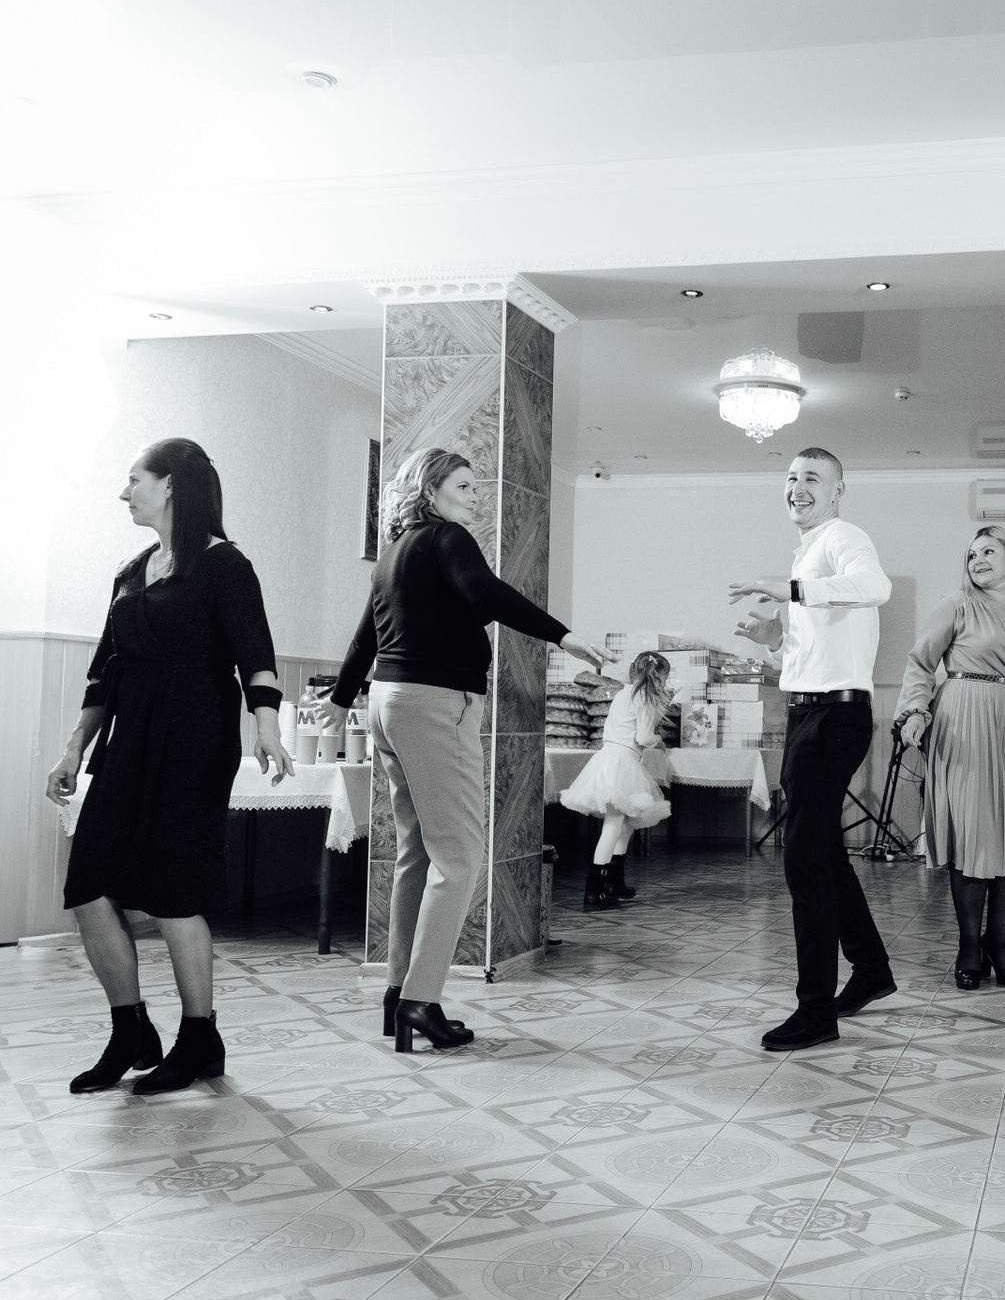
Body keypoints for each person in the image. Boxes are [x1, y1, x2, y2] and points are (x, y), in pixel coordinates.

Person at [320, 448, 612, 1054]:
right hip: (434, 703)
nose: (475, 497)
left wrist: (343, 699)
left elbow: (366, 634)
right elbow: (485, 592)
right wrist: (564, 636)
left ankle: (398, 993)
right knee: (459, 858)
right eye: (463, 485)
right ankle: (420, 1000)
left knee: (416, 855)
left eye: (476, 487)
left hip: (388, 702)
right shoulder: (446, 538)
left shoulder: (395, 552)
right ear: (430, 490)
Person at [46, 439, 294, 1095]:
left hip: (196, 738)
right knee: (88, 883)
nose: (124, 492)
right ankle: (130, 1029)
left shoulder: (224, 565)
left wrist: (267, 729)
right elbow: (103, 673)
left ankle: (199, 1036)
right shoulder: (132, 571)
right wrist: (73, 748)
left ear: (172, 486)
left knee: (176, 887)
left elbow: (257, 657)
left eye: (135, 480)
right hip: (128, 739)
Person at [732, 447, 895, 1052]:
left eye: (812, 478)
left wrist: (789, 589)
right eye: (791, 477)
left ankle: (816, 1011)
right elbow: (816, 653)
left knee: (802, 859)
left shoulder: (843, 536)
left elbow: (875, 587)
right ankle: (871, 970)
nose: (797, 486)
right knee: (821, 851)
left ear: (837, 489)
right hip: (809, 712)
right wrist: (775, 639)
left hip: (835, 717)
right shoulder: (808, 551)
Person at [896, 526, 1005, 989]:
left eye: (989, 551)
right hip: (964, 722)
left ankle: (1000, 944)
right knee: (973, 834)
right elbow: (921, 662)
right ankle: (968, 948)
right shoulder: (955, 604)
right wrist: (915, 710)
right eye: (972, 554)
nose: (977, 560)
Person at [561, 651, 674, 910]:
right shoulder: (644, 697)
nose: (666, 683)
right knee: (613, 825)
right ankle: (594, 892)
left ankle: (614, 881)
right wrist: (659, 740)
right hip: (622, 762)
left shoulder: (623, 693)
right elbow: (644, 737)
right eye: (665, 677)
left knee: (624, 823)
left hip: (608, 759)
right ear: (657, 677)